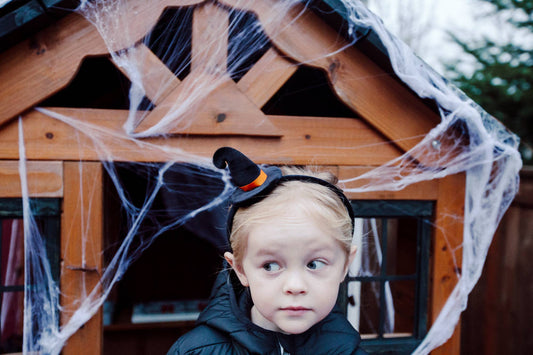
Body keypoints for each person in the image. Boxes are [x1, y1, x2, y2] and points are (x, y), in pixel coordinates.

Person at [167, 147, 367, 355]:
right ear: (240, 269)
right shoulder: (196, 352)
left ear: (345, 265)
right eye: (270, 266)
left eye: (314, 264)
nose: (295, 286)